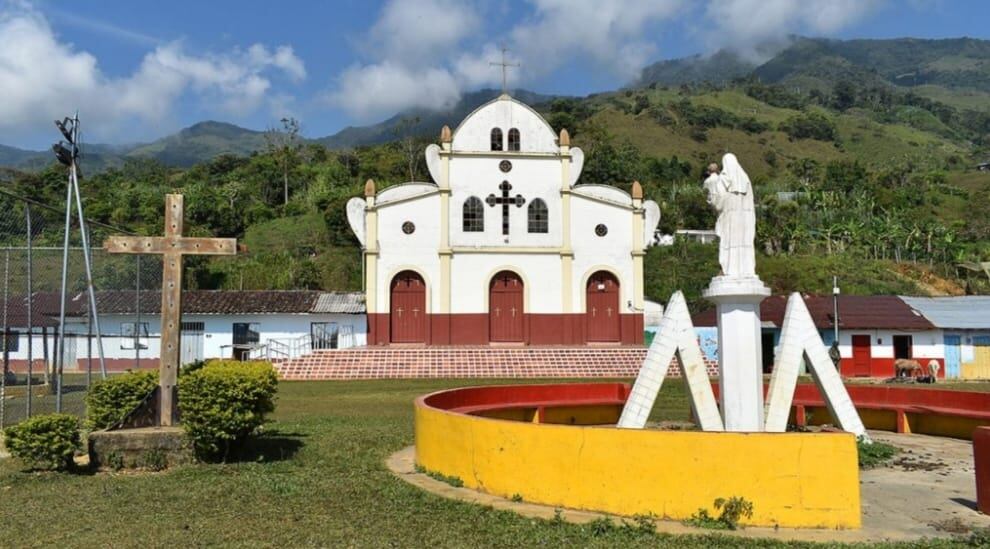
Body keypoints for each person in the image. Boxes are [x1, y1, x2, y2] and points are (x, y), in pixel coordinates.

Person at [704, 153, 756, 277]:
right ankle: (746, 270)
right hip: (745, 223)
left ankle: (728, 270)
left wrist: (711, 199)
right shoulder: (746, 179)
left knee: (728, 244)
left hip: (730, 221)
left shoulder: (724, 178)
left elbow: (718, 203)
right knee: (743, 244)